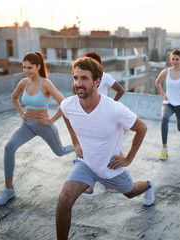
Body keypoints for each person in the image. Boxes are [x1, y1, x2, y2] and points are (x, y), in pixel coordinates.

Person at [56, 57, 154, 239]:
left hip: (111, 167)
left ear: (97, 81)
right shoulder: (68, 105)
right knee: (64, 200)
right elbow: (66, 116)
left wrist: (128, 159)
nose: (78, 83)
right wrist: (75, 142)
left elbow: (142, 128)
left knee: (131, 192)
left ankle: (149, 185)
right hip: (85, 164)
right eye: (76, 78)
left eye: (84, 78)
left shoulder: (114, 109)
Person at [0, 52, 74, 206]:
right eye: (24, 67)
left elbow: (64, 104)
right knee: (9, 147)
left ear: (38, 67)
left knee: (60, 151)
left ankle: (79, 148)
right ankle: (8, 189)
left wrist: (50, 120)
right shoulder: (23, 82)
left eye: (30, 67)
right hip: (27, 125)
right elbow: (14, 97)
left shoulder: (46, 84)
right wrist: (21, 113)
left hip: (44, 126)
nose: (26, 70)